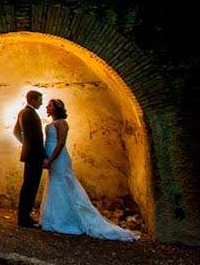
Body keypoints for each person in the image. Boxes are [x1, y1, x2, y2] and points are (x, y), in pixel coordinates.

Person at [39, 98, 139, 241]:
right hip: (50, 159)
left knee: (62, 184)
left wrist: (51, 160)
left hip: (58, 159)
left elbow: (60, 143)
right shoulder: (51, 124)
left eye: (49, 106)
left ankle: (66, 220)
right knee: (54, 184)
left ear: (56, 109)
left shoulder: (62, 123)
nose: (47, 108)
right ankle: (54, 218)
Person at [13, 90, 45, 228]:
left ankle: (24, 215)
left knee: (28, 185)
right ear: (33, 100)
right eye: (39, 100)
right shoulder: (30, 114)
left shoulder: (22, 113)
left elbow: (15, 132)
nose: (41, 103)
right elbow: (36, 138)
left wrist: (24, 144)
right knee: (30, 186)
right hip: (34, 155)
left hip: (29, 154)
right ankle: (24, 216)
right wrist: (39, 153)